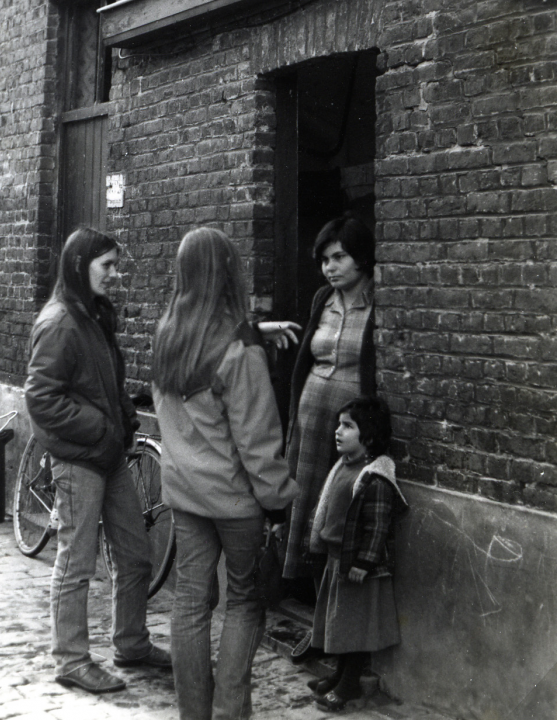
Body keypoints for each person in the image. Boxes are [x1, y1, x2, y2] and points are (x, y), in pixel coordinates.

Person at [151, 226, 299, 720]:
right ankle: (231, 713)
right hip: (237, 504)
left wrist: (256, 328)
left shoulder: (167, 336)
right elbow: (258, 443)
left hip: (185, 497)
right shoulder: (239, 351)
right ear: (228, 271)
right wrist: (279, 502)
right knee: (244, 604)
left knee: (191, 604)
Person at [24, 227, 172, 695]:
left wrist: (125, 419)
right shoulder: (60, 323)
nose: (115, 273)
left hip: (109, 457)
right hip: (78, 462)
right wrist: (101, 429)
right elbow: (41, 400)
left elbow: (107, 381)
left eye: (116, 264)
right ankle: (70, 659)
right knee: (77, 561)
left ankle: (131, 642)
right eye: (106, 265)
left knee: (134, 556)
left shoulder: (92, 315)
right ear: (78, 265)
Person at [283, 212, 376, 583]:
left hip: (350, 424)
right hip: (311, 414)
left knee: (339, 496)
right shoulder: (323, 299)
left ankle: (330, 582)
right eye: (325, 260)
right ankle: (299, 577)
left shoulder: (377, 301)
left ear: (362, 258)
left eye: (339, 257)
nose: (330, 268)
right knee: (304, 493)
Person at [307, 397, 408, 712]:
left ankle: (349, 685)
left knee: (352, 628)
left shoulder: (373, 478)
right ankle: (339, 675)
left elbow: (378, 526)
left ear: (369, 436)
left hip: (355, 566)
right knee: (339, 625)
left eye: (348, 426)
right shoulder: (344, 466)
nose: (338, 431)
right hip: (337, 559)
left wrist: (364, 563)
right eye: (339, 424)